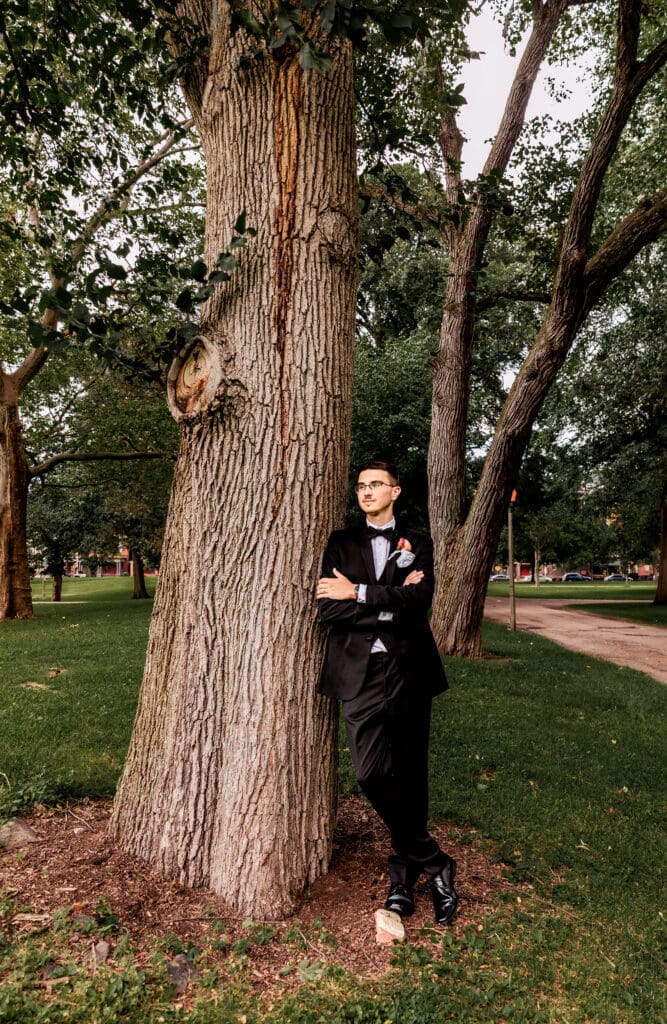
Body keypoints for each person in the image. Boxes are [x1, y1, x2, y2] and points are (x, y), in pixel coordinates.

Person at [316, 459, 458, 925]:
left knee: (411, 773)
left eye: (376, 485)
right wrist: (387, 598)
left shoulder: (417, 543)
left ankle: (402, 878)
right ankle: (434, 860)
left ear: (395, 492)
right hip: (359, 672)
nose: (366, 491)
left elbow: (419, 605)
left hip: (409, 671)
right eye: (360, 486)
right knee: (371, 773)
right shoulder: (340, 542)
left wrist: (356, 593)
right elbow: (327, 613)